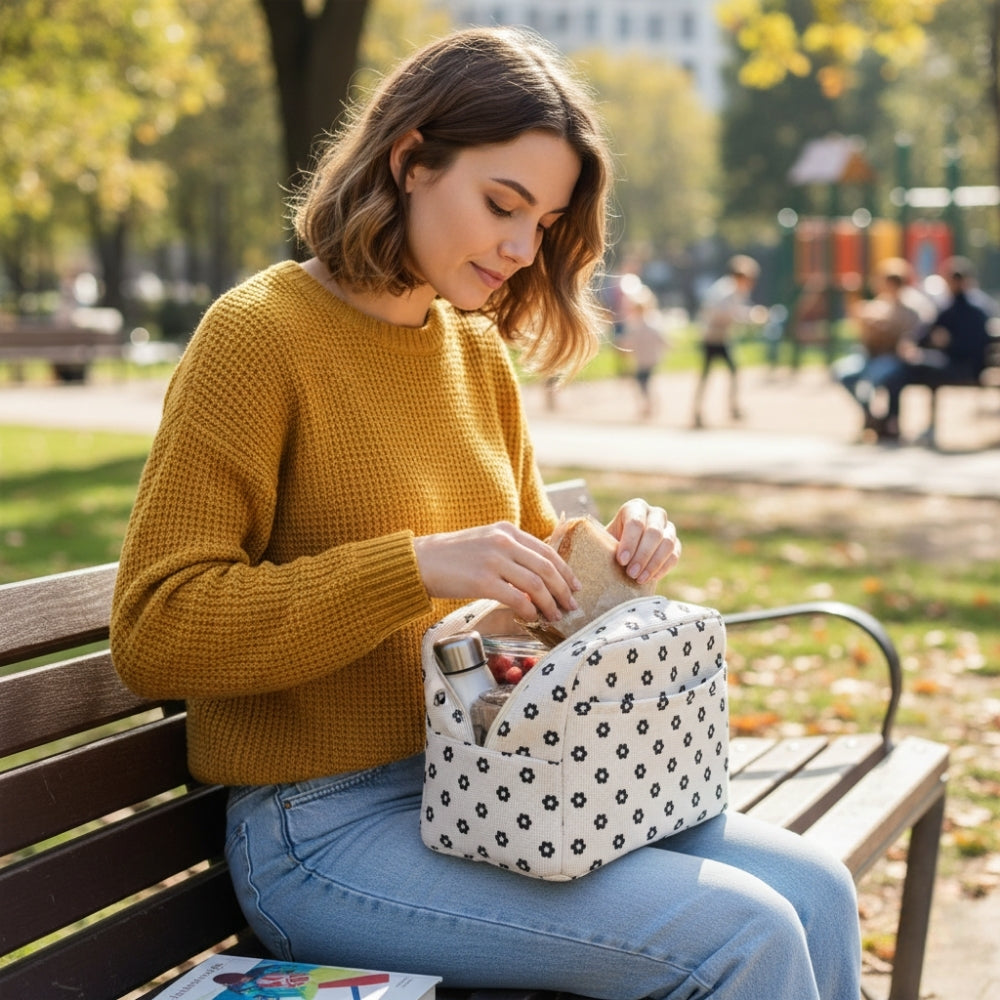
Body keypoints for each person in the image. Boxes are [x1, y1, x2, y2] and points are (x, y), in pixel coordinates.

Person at [109, 27, 860, 1000]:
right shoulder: (257, 338)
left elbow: (532, 602)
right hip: (320, 831)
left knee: (818, 890)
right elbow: (154, 629)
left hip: (504, 786)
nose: (519, 246)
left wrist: (613, 560)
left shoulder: (474, 352)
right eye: (502, 204)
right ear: (410, 159)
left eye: (542, 221)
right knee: (743, 935)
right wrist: (414, 566)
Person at [869, 257, 993, 442]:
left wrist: (939, 344)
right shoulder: (963, 305)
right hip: (958, 365)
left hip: (961, 367)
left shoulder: (965, 308)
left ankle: (892, 422)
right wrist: (917, 344)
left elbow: (957, 342)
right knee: (901, 373)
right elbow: (927, 332)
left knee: (902, 371)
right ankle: (893, 422)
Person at [831, 257, 928, 439]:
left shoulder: (911, 307)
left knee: (871, 380)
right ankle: (871, 416)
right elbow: (859, 323)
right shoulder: (877, 304)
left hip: (890, 358)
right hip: (868, 356)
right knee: (842, 373)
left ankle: (878, 421)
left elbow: (910, 336)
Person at [691, 254, 764, 428]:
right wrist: (751, 316)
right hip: (712, 338)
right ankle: (698, 410)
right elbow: (725, 312)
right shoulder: (725, 291)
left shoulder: (734, 290)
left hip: (723, 337)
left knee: (731, 371)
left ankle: (731, 406)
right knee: (707, 375)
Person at [615, 278, 669, 418]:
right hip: (646, 359)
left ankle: (648, 404)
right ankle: (648, 404)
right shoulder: (644, 324)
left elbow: (629, 341)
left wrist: (623, 346)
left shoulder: (640, 325)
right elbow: (630, 341)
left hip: (644, 360)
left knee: (643, 383)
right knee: (644, 383)